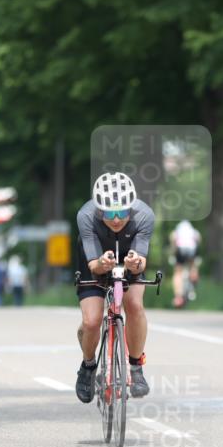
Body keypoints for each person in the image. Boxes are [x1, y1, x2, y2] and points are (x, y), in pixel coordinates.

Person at [74, 172, 155, 403]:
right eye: (110, 213)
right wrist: (101, 263)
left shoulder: (144, 215)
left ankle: (136, 367)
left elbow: (141, 261)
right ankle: (88, 367)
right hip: (95, 262)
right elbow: (93, 265)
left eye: (123, 212)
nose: (117, 219)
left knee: (135, 306)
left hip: (129, 260)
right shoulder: (86, 216)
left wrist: (134, 263)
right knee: (91, 321)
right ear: (99, 210)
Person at [169, 219, 201, 308]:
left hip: (180, 249)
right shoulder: (193, 231)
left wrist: (173, 252)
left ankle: (178, 297)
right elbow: (198, 239)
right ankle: (194, 280)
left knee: (178, 273)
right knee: (193, 266)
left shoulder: (177, 231)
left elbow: (173, 239)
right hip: (192, 249)